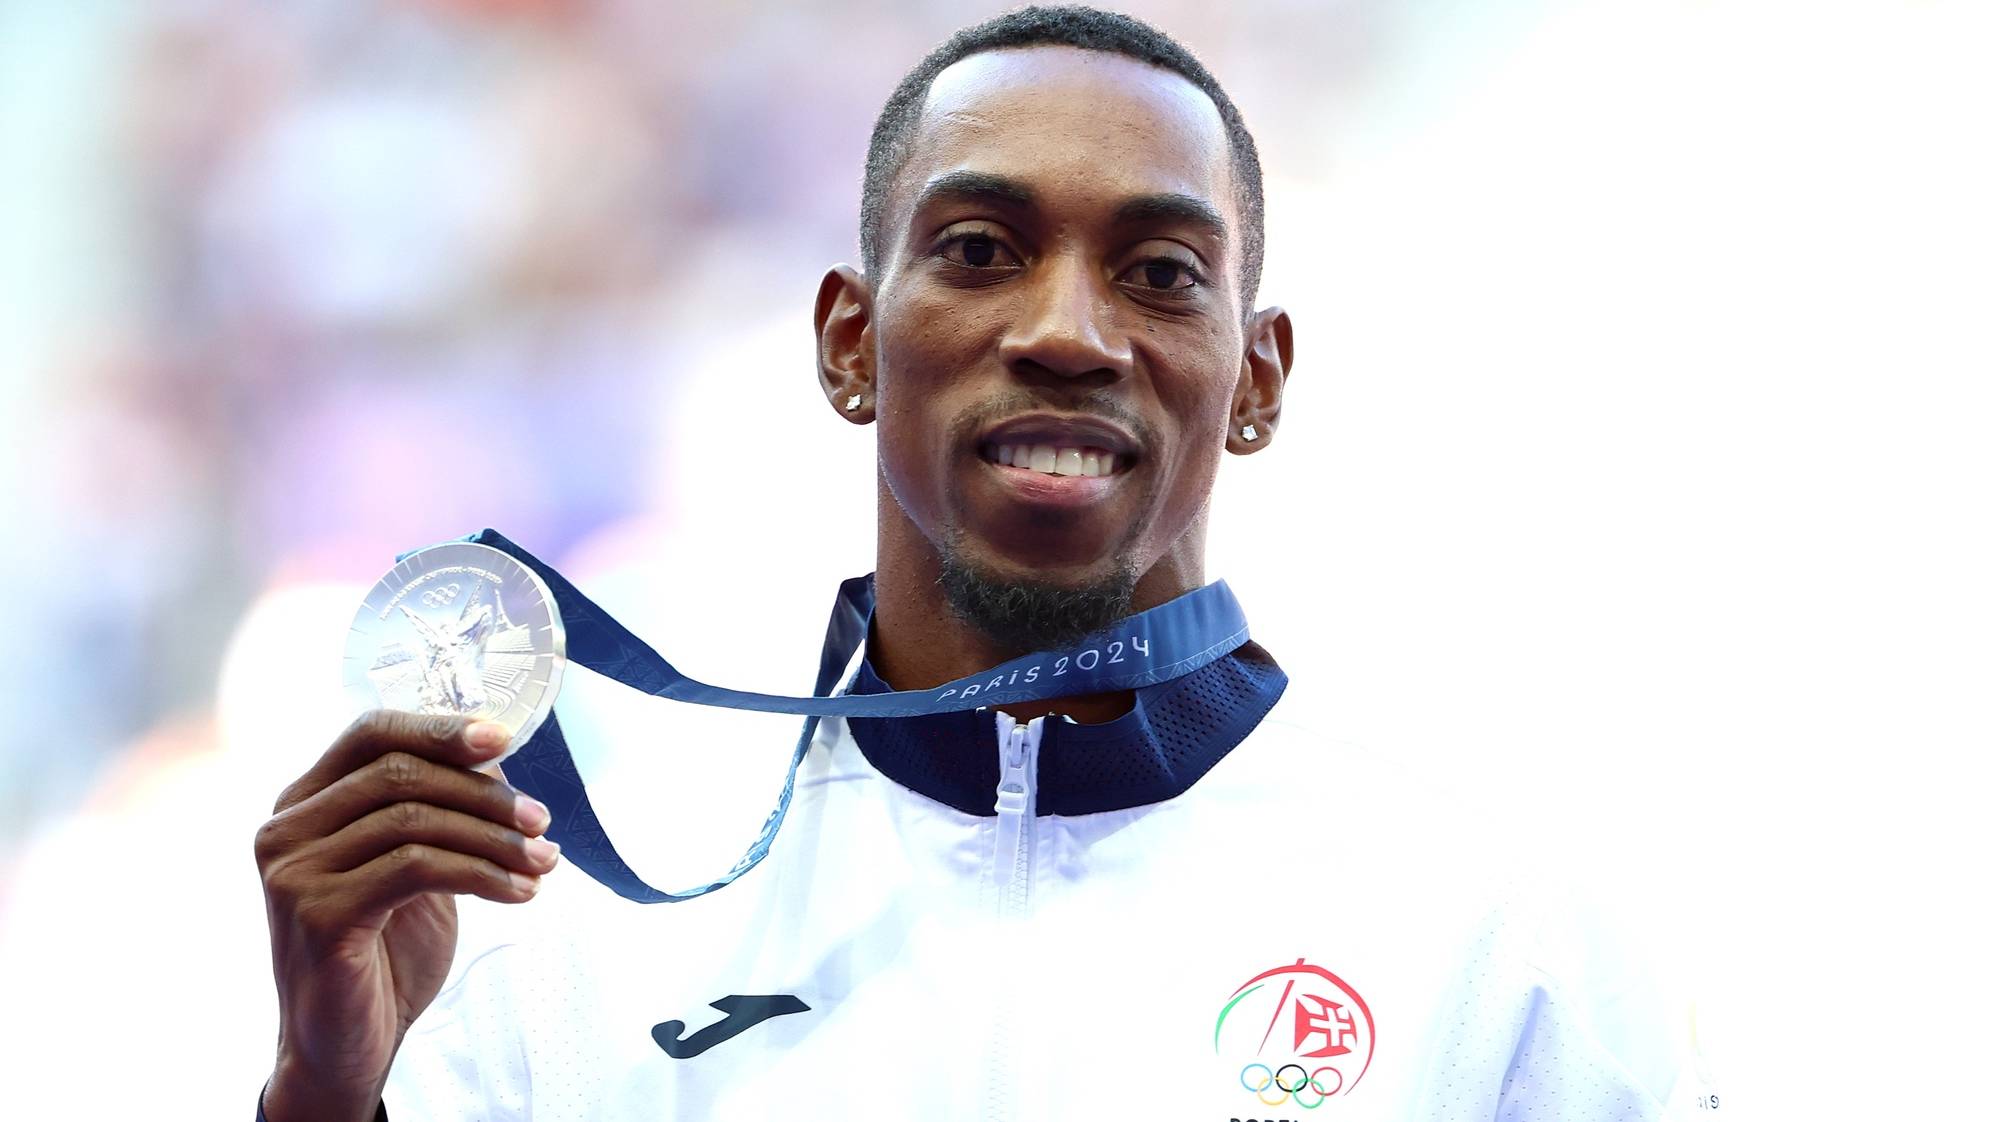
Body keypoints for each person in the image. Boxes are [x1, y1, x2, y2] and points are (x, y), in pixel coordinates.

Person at [254, 7, 1712, 1119]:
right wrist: (326, 1092)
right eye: (977, 247)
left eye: (1161, 273)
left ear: (1257, 377)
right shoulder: (553, 948)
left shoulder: (1510, 941)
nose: (1071, 332)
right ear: (847, 343)